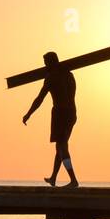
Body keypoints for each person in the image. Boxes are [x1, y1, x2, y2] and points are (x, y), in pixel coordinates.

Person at [22, 51, 79, 187]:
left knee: (62, 146)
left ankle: (73, 180)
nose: (45, 66)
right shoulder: (70, 75)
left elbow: (40, 98)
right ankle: (53, 178)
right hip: (72, 113)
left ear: (51, 62)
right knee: (60, 146)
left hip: (60, 113)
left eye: (46, 63)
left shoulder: (51, 77)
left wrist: (28, 113)